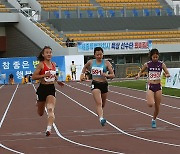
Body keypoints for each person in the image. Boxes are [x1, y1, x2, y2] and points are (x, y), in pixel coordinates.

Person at [32, 46, 64, 136]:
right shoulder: (41, 65)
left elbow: (53, 75)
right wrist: (43, 75)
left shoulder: (53, 64)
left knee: (50, 109)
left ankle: (48, 129)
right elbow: (34, 77)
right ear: (43, 54)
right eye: (47, 52)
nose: (49, 54)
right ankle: (38, 102)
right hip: (42, 89)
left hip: (51, 89)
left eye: (50, 52)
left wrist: (58, 81)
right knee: (40, 113)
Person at [80, 47, 115, 126]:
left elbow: (113, 75)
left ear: (103, 54)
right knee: (98, 102)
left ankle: (100, 114)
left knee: (102, 104)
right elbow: (85, 67)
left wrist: (106, 75)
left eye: (101, 54)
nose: (99, 56)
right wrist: (82, 74)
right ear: (94, 55)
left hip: (104, 84)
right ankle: (101, 118)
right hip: (95, 84)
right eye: (97, 55)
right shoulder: (91, 62)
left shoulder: (106, 63)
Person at [136, 48, 170, 128]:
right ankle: (149, 97)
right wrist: (138, 75)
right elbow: (141, 71)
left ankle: (154, 119)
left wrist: (166, 75)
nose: (155, 59)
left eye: (156, 57)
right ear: (151, 57)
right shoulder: (147, 64)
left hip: (158, 86)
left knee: (157, 107)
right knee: (150, 104)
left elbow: (167, 73)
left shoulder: (161, 64)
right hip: (150, 85)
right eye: (154, 57)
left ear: (158, 56)